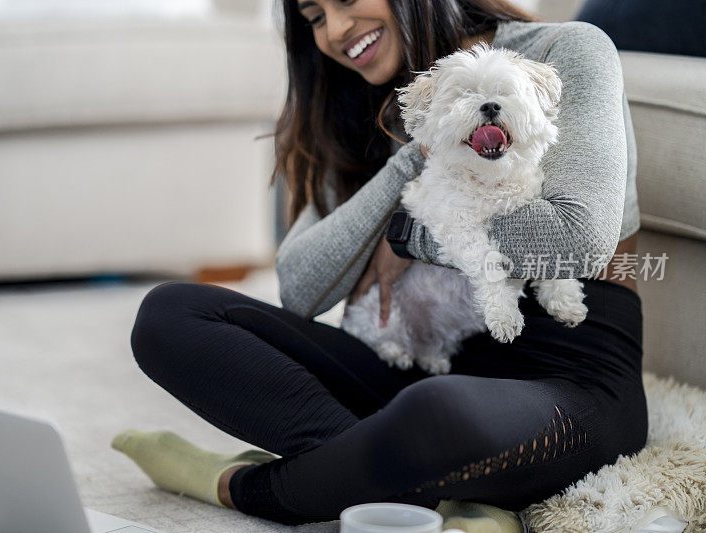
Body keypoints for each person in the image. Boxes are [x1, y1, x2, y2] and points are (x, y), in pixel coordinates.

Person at [111, 0, 648, 529]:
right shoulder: (354, 101)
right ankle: (434, 487)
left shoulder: (564, 51)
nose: (336, 29)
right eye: (315, 17)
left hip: (566, 373)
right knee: (169, 314)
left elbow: (577, 241)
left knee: (436, 413)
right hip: (413, 360)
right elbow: (301, 287)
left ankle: (242, 484)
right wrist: (409, 161)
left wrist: (407, 238)